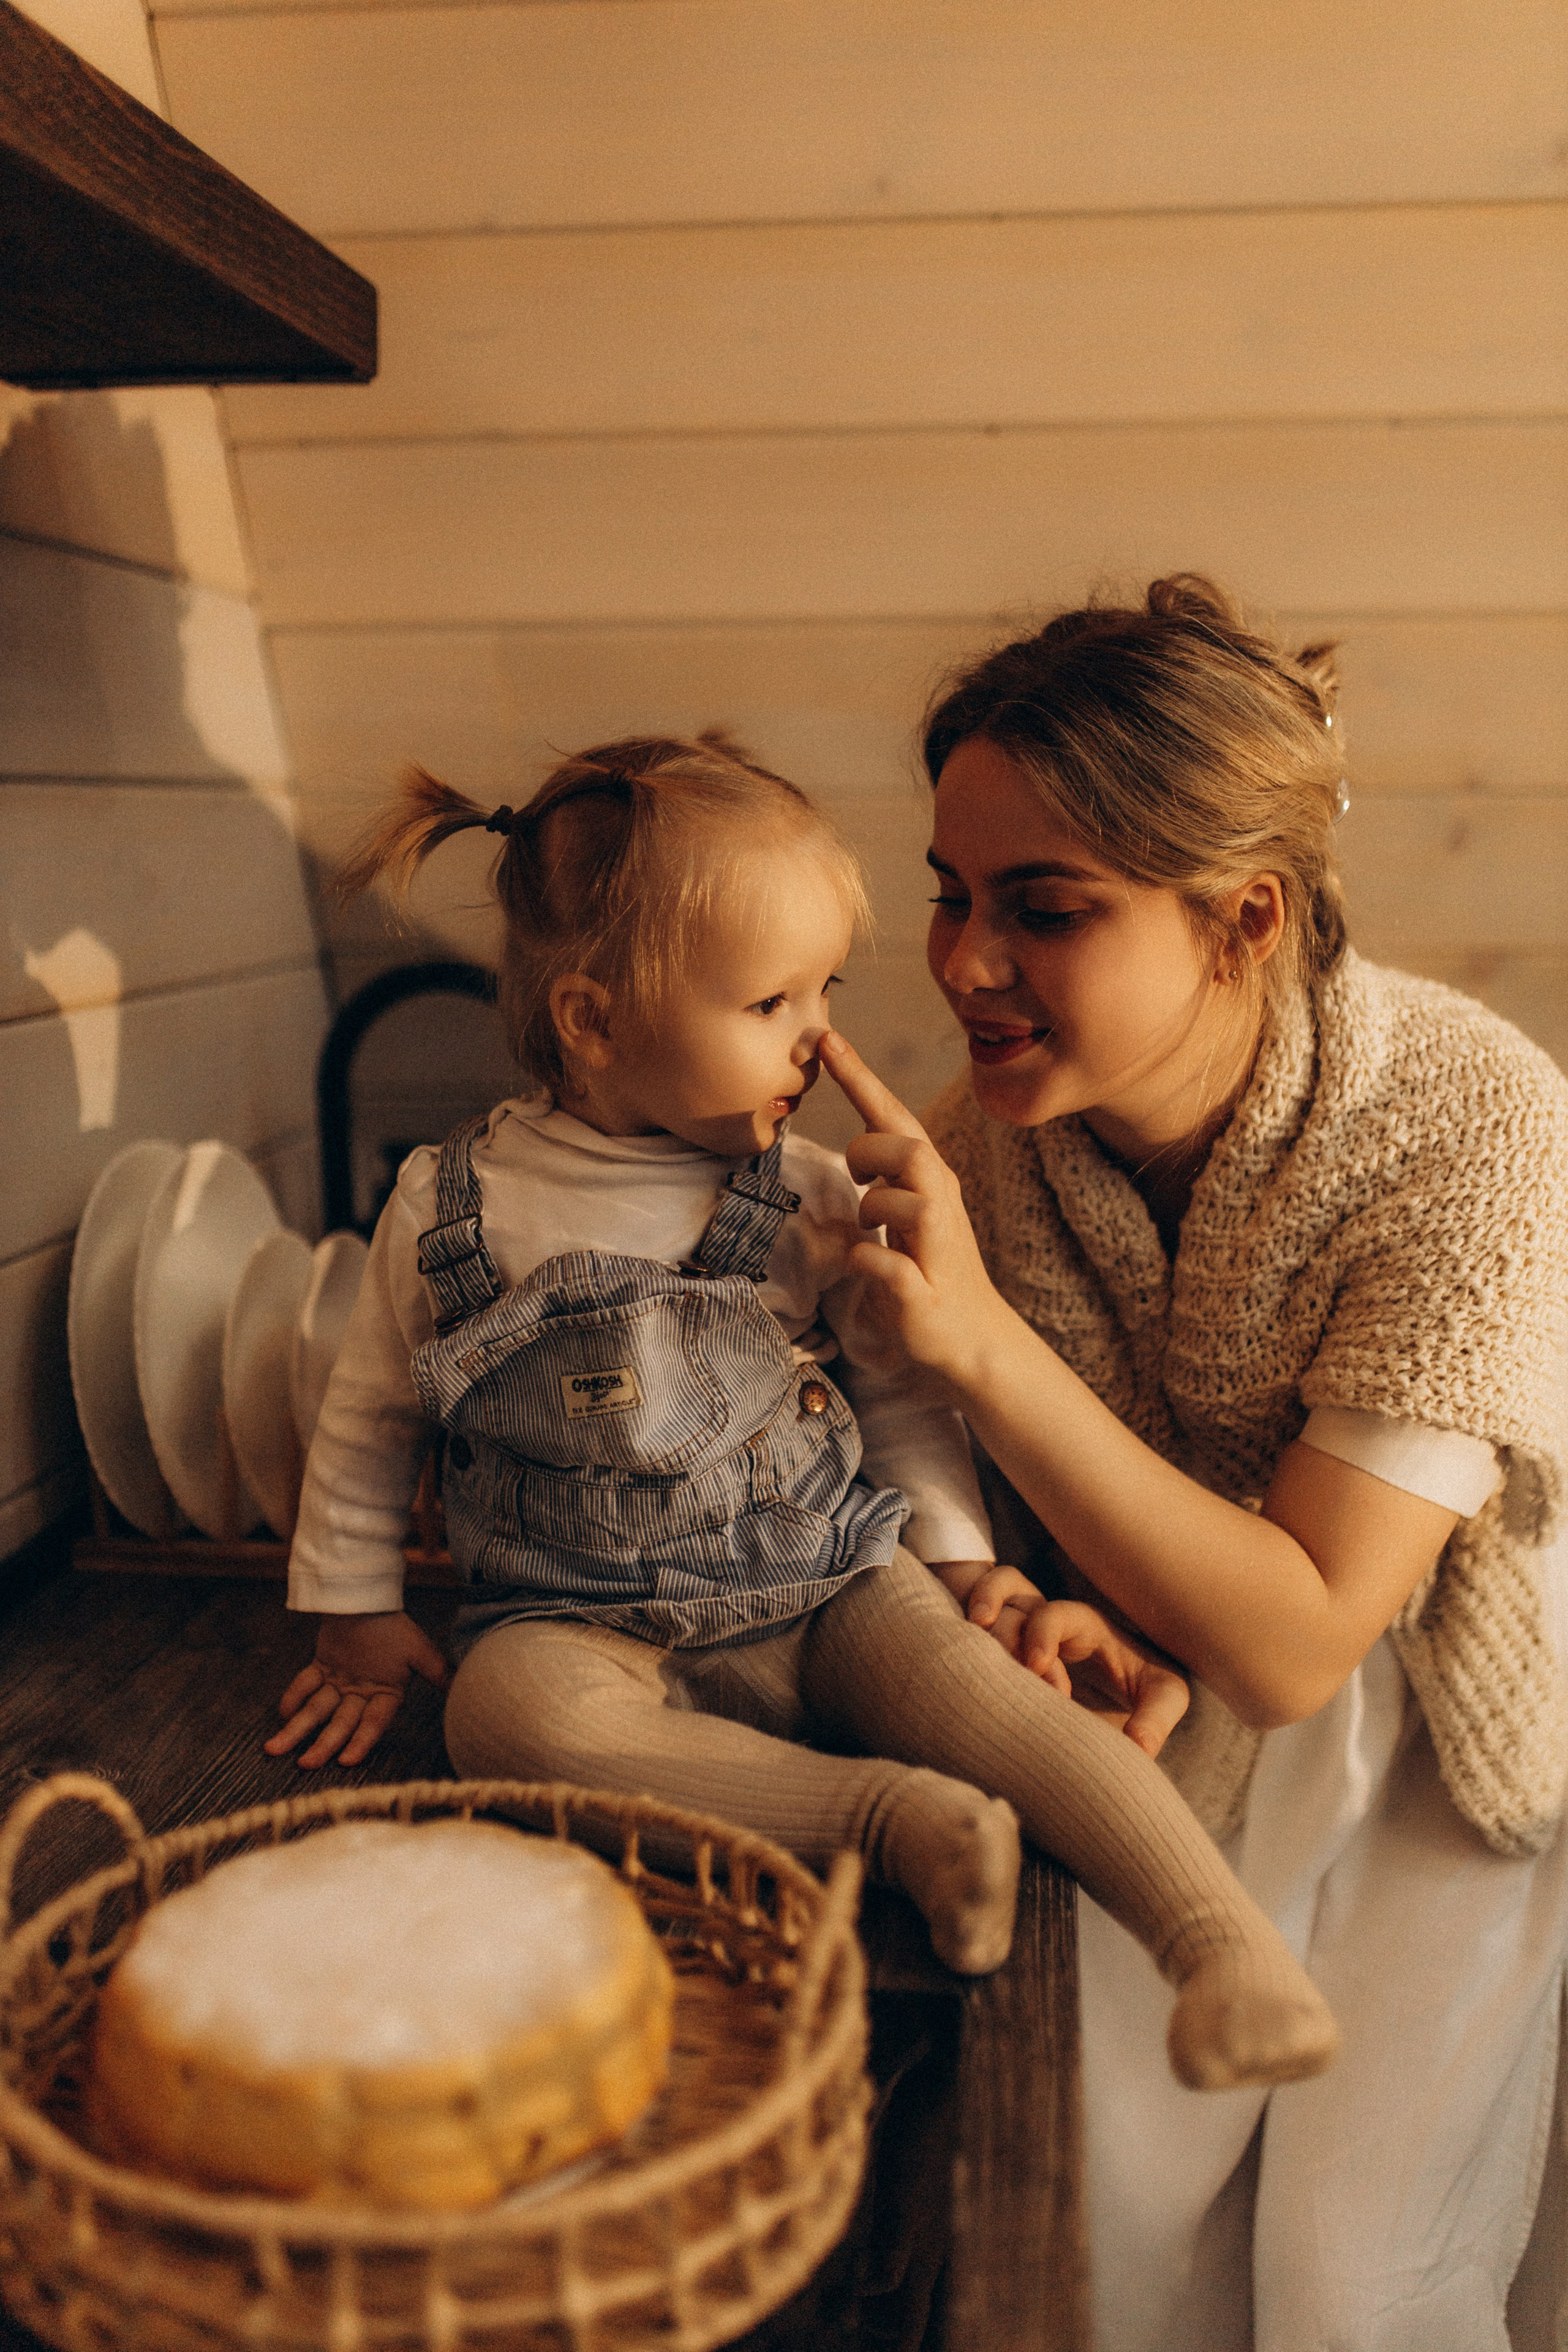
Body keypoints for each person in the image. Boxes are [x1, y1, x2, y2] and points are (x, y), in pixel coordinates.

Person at [268, 726, 1338, 2092]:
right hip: (570, 1616)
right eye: (772, 1004)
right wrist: (355, 1616)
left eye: (823, 990)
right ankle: (891, 1821)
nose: (818, 1039)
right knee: (503, 1720)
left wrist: (959, 1565)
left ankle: (1216, 1943)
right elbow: (368, 1418)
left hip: (822, 1580)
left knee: (991, 1701)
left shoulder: (811, 1193)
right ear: (593, 1020)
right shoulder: (450, 1201)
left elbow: (896, 1399)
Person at [815, 574, 1568, 2350]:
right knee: (1114, 2249)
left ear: (1244, 917)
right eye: (950, 898)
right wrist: (1007, 1598)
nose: (964, 966)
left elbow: (1307, 1637)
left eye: (1044, 910)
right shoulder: (988, 1154)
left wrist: (984, 1342)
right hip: (1164, 1723)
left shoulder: (1477, 1128)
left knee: (1356, 2279)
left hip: (1420, 1725)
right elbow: (936, 1459)